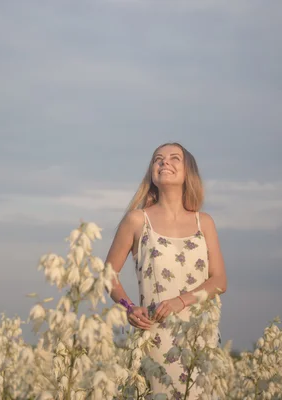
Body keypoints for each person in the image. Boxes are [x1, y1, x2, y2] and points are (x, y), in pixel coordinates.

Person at [105, 142, 227, 398]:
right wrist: (129, 308)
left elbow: (219, 280)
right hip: (155, 336)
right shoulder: (137, 220)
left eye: (174, 158)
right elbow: (108, 276)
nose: (164, 163)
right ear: (152, 171)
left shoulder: (204, 222)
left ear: (187, 172)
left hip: (199, 338)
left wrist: (180, 302)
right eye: (157, 159)